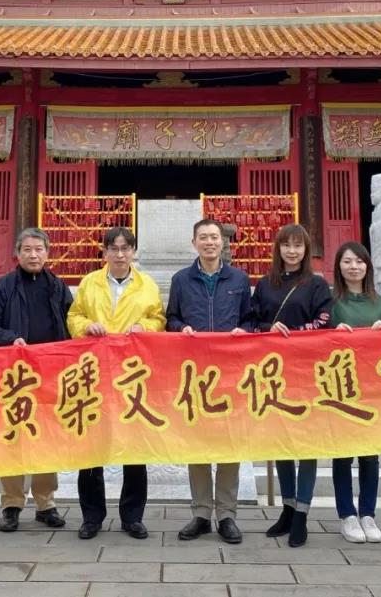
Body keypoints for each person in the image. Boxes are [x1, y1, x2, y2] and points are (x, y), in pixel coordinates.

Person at [67, 226, 165, 540]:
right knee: (91, 448)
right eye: (114, 249)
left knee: (134, 448)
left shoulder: (147, 285)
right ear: (104, 252)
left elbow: (159, 320)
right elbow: (74, 315)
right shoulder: (89, 283)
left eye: (126, 249)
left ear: (133, 252)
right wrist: (86, 325)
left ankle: (132, 516)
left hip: (132, 375)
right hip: (94, 373)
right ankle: (92, 516)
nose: (120, 254)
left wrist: (144, 326)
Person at [166, 218, 253, 545]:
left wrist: (243, 331)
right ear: (194, 243)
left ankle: (227, 514)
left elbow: (250, 318)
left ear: (222, 243)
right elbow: (170, 318)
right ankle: (201, 512)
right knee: (198, 443)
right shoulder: (181, 280)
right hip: (195, 373)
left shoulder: (240, 279)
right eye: (203, 238)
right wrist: (180, 329)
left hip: (230, 372)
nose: (209, 243)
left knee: (230, 442)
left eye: (214, 237)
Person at [0, 227, 73, 533]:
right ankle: (11, 504)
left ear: (48, 253)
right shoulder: (3, 287)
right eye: (28, 250)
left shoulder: (58, 287)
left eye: (39, 250)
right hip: (14, 377)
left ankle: (45, 503)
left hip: (50, 375)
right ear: (17, 254)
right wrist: (11, 339)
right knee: (13, 438)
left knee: (47, 439)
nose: (34, 255)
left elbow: (72, 324)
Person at [251, 224, 332, 548]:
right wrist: (270, 327)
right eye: (287, 245)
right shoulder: (265, 284)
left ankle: (302, 513)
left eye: (299, 245)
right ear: (278, 248)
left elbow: (326, 318)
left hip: (306, 371)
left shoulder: (316, 284)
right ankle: (286, 508)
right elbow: (252, 319)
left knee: (306, 446)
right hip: (273, 374)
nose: (293, 251)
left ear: (306, 249)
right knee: (281, 442)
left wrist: (296, 331)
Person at [329, 241, 381, 544]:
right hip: (341, 386)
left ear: (367, 266)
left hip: (373, 388)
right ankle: (347, 514)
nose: (353, 267)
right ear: (338, 267)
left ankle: (368, 512)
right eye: (347, 261)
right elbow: (317, 341)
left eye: (359, 261)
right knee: (343, 455)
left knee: (370, 455)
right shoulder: (330, 302)